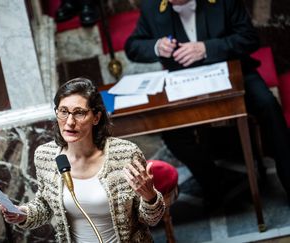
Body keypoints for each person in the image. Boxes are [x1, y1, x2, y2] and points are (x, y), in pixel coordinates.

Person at [124, 0, 290, 205]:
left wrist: (206, 48)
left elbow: (249, 38)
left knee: (267, 104)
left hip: (234, 70)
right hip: (186, 81)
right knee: (171, 130)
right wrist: (156, 46)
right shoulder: (152, 7)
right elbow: (132, 47)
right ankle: (214, 182)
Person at [0, 77, 165, 242]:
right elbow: (45, 206)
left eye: (79, 113)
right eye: (63, 111)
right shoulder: (45, 156)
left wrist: (150, 196)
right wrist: (22, 214)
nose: (69, 122)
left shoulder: (125, 154)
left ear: (96, 117)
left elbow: (151, 219)